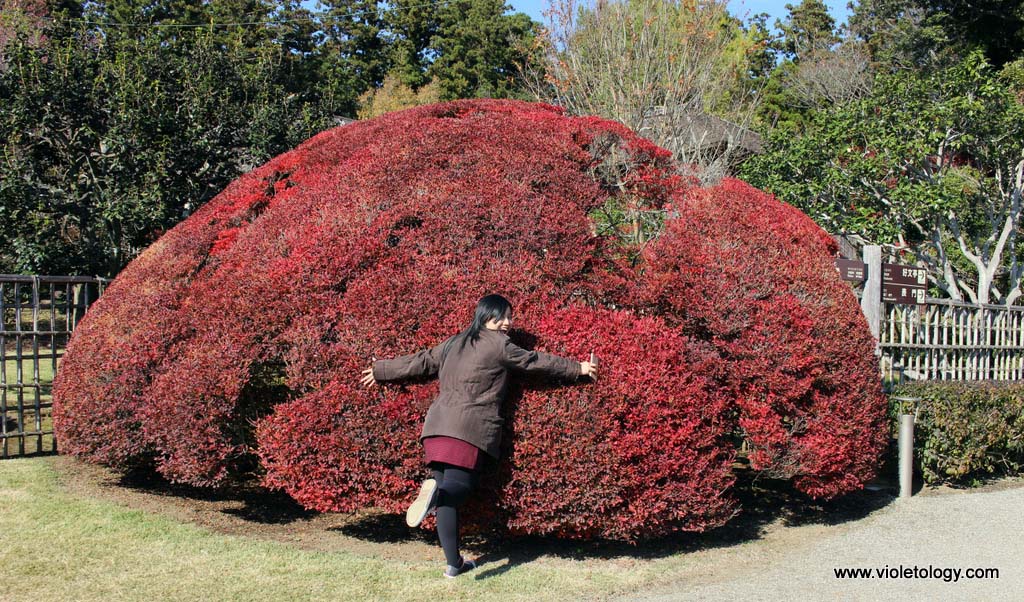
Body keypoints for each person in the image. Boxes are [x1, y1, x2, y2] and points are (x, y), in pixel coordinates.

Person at [360, 294, 597, 578]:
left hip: (436, 428)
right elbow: (533, 361)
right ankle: (434, 496)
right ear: (487, 315)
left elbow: (421, 361)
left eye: (511, 316)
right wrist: (578, 368)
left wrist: (381, 369)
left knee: (446, 495)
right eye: (503, 316)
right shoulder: (498, 344)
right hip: (468, 429)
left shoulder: (454, 342)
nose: (509, 322)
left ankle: (454, 564)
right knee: (457, 489)